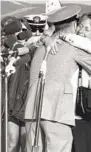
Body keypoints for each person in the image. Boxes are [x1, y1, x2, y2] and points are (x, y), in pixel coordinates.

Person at [24, 5, 91, 152]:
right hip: (56, 112)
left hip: (32, 112)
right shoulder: (73, 48)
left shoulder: (40, 47)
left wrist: (46, 37)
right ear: (74, 24)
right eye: (80, 26)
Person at [1, 16, 32, 152]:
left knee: (26, 142)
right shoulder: (5, 50)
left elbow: (27, 57)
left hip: (27, 101)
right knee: (11, 142)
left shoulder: (31, 47)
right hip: (10, 102)